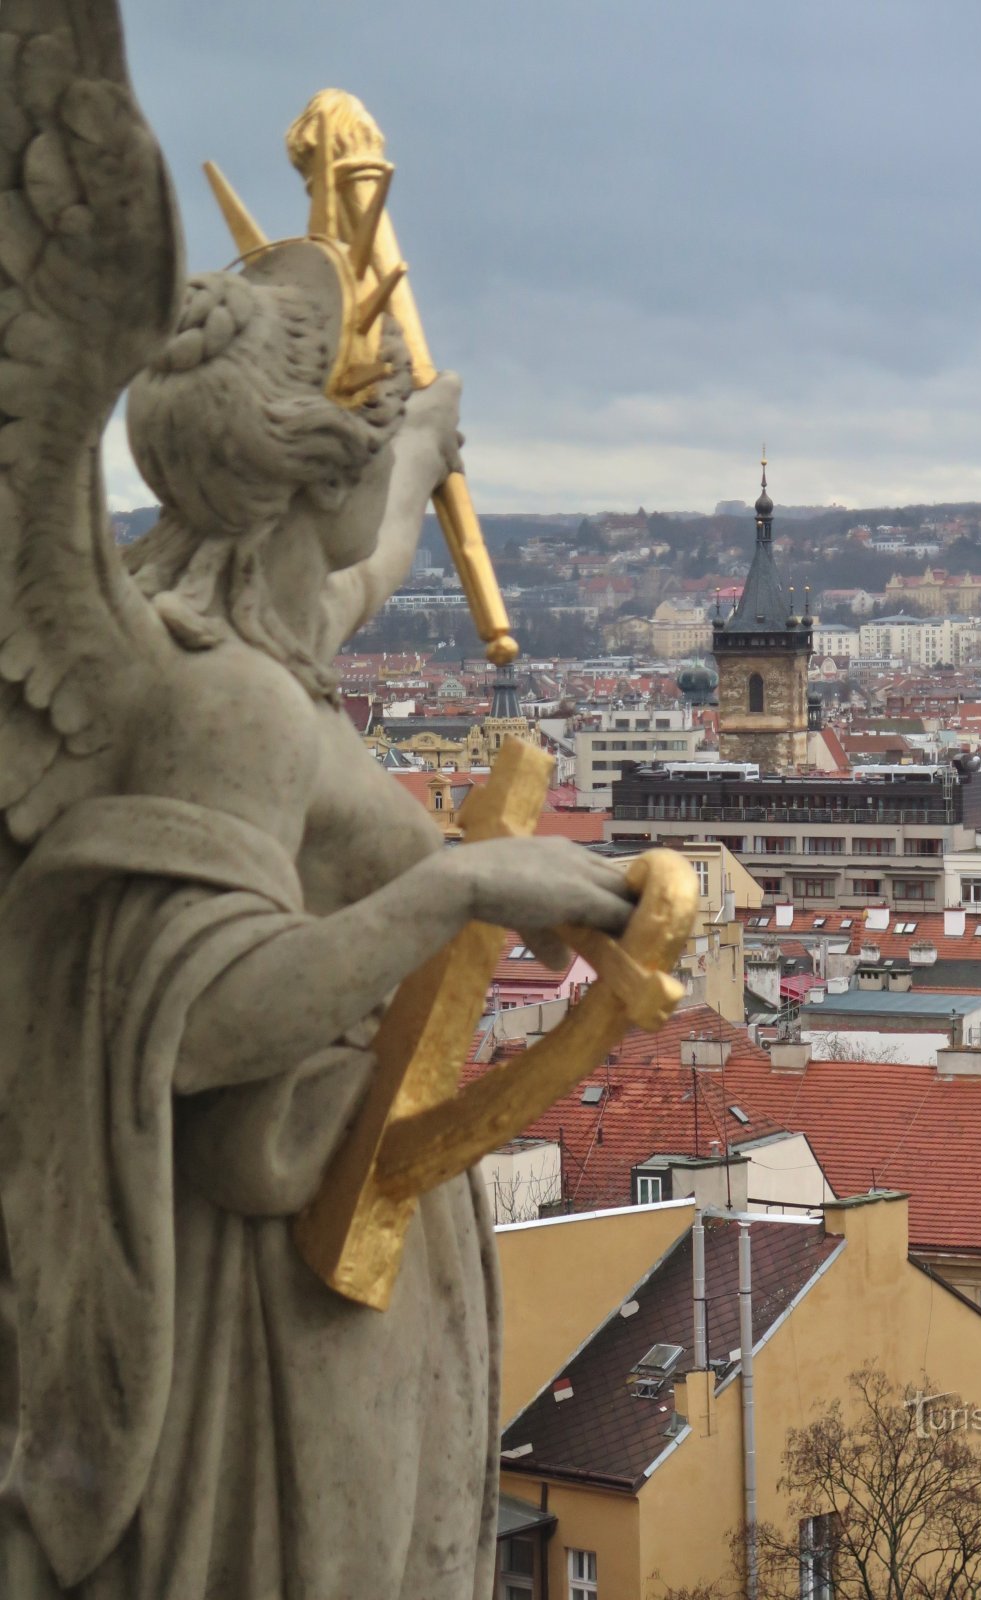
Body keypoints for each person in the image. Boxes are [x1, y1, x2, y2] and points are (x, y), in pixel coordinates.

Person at [0, 7, 631, 1596]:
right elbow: (199, 1015)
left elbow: (374, 554)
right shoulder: (227, 711)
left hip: (341, 1268)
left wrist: (421, 442)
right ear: (304, 466)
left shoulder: (250, 636)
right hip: (275, 1313)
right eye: (360, 413)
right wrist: (469, 890)